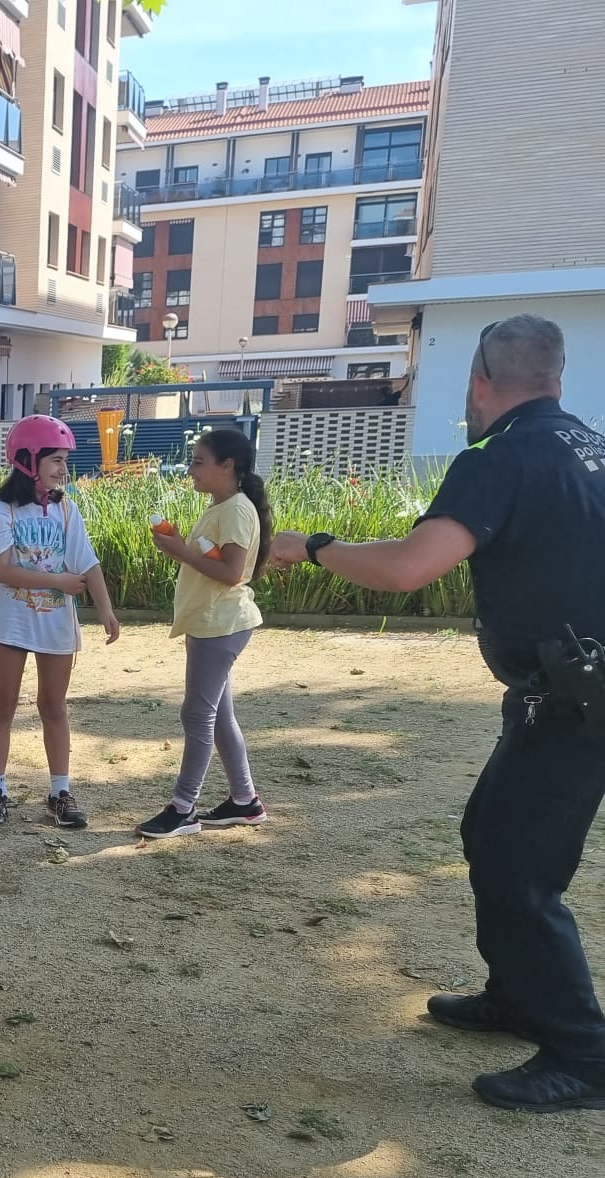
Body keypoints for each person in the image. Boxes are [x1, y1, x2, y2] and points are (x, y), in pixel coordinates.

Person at [267, 314, 605, 1112]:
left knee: (517, 873)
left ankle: (584, 1052)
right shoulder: (590, 448)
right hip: (570, 691)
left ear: (480, 381)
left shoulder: (499, 457)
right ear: (556, 377)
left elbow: (410, 567)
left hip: (573, 699)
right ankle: (518, 994)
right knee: (488, 834)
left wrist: (313, 546)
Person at [0, 415, 120, 829]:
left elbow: (87, 563)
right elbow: (1, 571)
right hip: (11, 622)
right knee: (3, 704)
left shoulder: (67, 510)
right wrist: (58, 581)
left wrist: (106, 609)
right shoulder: (2, 509)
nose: (63, 468)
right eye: (55, 459)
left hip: (55, 622)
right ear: (27, 460)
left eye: (64, 460)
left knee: (54, 706)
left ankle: (60, 791)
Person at [136, 428, 271, 840]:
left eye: (198, 462)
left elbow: (231, 573)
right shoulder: (224, 506)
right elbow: (215, 564)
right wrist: (181, 547)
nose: (191, 470)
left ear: (227, 466)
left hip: (220, 624)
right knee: (218, 716)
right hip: (213, 622)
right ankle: (245, 801)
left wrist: (181, 551)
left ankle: (183, 808)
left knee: (197, 715)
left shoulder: (235, 510)